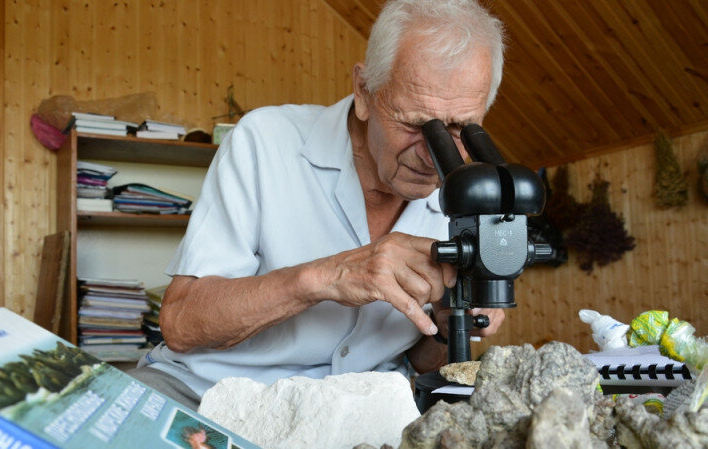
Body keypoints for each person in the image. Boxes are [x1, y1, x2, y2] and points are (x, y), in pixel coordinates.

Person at [129, 0, 507, 411]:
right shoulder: (265, 140)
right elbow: (181, 324)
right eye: (416, 124)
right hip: (210, 392)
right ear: (364, 92)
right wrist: (328, 276)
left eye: (459, 128)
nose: (433, 155)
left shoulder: (467, 192)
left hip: (359, 408)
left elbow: (420, 362)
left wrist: (447, 329)